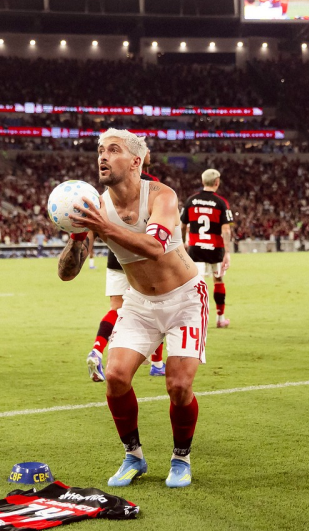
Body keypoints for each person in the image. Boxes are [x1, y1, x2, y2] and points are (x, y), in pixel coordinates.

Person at [62, 129, 209, 489]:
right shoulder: (96, 205)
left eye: (113, 150)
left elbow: (155, 247)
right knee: (114, 377)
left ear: (135, 161)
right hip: (140, 302)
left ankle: (180, 458)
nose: (103, 156)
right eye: (100, 150)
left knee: (177, 385)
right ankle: (134, 456)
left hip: (185, 299)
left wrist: (102, 226)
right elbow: (67, 274)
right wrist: (76, 238)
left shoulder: (161, 196)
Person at [87, 170, 166, 383]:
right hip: (142, 256)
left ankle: (97, 350)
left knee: (115, 309)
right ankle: (157, 364)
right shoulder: (153, 185)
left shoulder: (111, 188)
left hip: (116, 256)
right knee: (157, 308)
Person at [181, 168, 234, 328]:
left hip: (195, 249)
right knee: (218, 280)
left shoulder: (191, 200)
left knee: (197, 283)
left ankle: (196, 321)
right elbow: (226, 230)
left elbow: (183, 224)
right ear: (217, 182)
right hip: (215, 249)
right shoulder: (221, 202)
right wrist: (227, 252)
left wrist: (184, 242)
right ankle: (220, 318)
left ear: (203, 182)